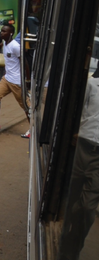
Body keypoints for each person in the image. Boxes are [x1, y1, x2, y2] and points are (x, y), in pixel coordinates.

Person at [58, 67, 99, 259]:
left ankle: (74, 247)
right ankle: (64, 239)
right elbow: (76, 113)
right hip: (81, 147)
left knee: (88, 208)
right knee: (69, 198)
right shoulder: (92, 85)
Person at [0, 24, 29, 137]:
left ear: (10, 33)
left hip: (17, 81)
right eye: (1, 31)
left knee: (26, 105)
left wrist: (27, 80)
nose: (1, 33)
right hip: (7, 78)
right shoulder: (4, 44)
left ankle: (33, 129)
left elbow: (25, 63)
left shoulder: (15, 46)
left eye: (4, 31)